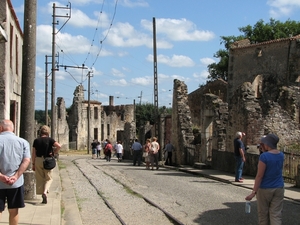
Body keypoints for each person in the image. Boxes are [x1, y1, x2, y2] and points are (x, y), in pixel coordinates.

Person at [245, 134, 284, 225]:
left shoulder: (264, 157)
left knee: (263, 215)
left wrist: (253, 192)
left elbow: (259, 176)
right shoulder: (281, 155)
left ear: (268, 144)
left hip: (265, 188)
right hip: (279, 187)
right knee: (276, 215)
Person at [0, 119, 31, 225]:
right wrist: (16, 176)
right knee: (14, 211)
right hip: (16, 183)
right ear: (13, 129)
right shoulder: (23, 142)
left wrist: (1, 176)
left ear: (1, 128)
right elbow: (26, 160)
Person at [32, 125, 61, 204]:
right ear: (48, 132)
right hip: (47, 160)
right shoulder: (50, 140)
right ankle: (45, 192)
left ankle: (42, 194)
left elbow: (33, 153)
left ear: (41, 132)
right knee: (48, 178)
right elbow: (59, 146)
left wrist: (33, 163)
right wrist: (54, 152)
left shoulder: (36, 140)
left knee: (40, 178)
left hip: (38, 160)